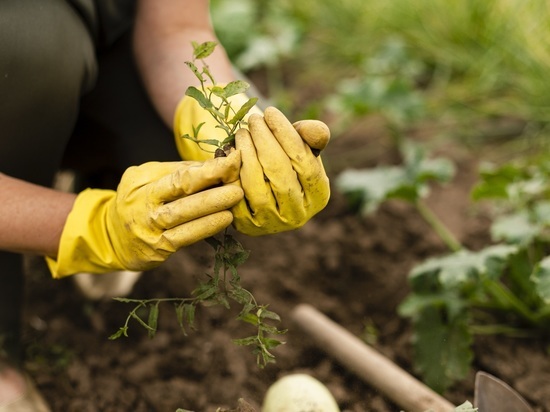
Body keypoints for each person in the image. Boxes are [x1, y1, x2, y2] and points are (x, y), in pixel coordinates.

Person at [0, 0, 330, 410]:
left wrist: (219, 129)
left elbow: (176, 26)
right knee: (27, 47)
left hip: (92, 49)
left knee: (201, 127)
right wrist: (86, 225)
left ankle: (74, 170)